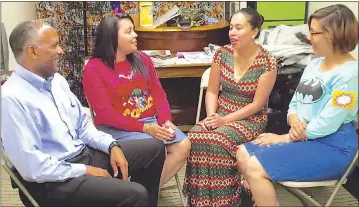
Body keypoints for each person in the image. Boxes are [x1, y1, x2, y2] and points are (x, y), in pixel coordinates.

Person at [1, 20, 166, 207]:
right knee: (136, 195)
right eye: (54, 46)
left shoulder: (56, 81)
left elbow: (83, 126)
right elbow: (32, 167)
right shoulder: (11, 99)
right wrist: (85, 170)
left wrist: (112, 145)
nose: (61, 51)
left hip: (82, 154)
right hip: (52, 182)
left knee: (154, 148)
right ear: (32, 51)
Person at [236, 4, 358, 207]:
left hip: (333, 146)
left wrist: (283, 138)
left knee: (255, 167)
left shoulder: (351, 74)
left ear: (334, 34)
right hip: (304, 137)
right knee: (243, 152)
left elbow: (329, 122)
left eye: (314, 32)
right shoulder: (314, 63)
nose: (308, 38)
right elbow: (295, 103)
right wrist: (294, 120)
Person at [183, 8, 278, 207]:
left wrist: (224, 121)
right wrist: (211, 116)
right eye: (231, 27)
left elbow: (258, 104)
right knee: (196, 135)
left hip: (250, 119)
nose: (232, 32)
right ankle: (203, 201)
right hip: (221, 113)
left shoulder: (267, 61)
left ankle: (230, 199)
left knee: (218, 140)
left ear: (254, 32)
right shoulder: (222, 54)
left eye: (239, 28)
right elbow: (212, 91)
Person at [82, 14, 191, 188]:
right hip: (115, 128)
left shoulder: (143, 59)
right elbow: (105, 114)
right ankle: (141, 192)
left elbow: (157, 92)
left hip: (150, 122)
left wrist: (166, 121)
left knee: (183, 144)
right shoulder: (94, 69)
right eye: (129, 31)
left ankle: (146, 191)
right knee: (155, 147)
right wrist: (145, 128)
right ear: (112, 37)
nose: (135, 35)